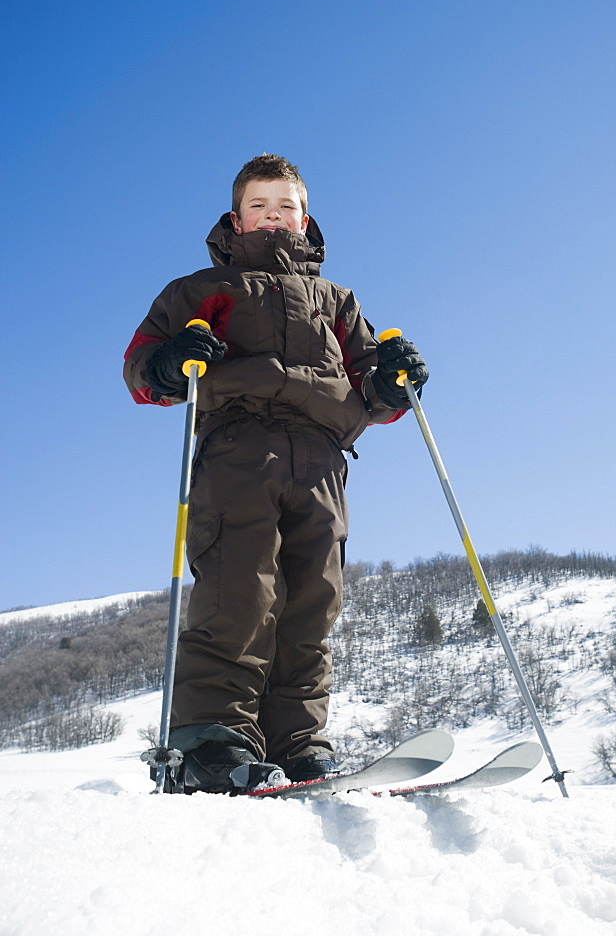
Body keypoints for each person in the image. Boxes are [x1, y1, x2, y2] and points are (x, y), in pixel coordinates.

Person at [124, 154, 428, 792]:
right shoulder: (198, 291)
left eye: (284, 206)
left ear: (305, 217)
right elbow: (141, 367)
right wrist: (169, 362)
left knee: (313, 599)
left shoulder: (337, 301)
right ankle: (212, 739)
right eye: (258, 207)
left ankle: (298, 742)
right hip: (239, 451)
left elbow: (370, 388)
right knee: (241, 590)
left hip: (322, 460)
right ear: (236, 219)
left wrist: (395, 381)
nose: (272, 218)